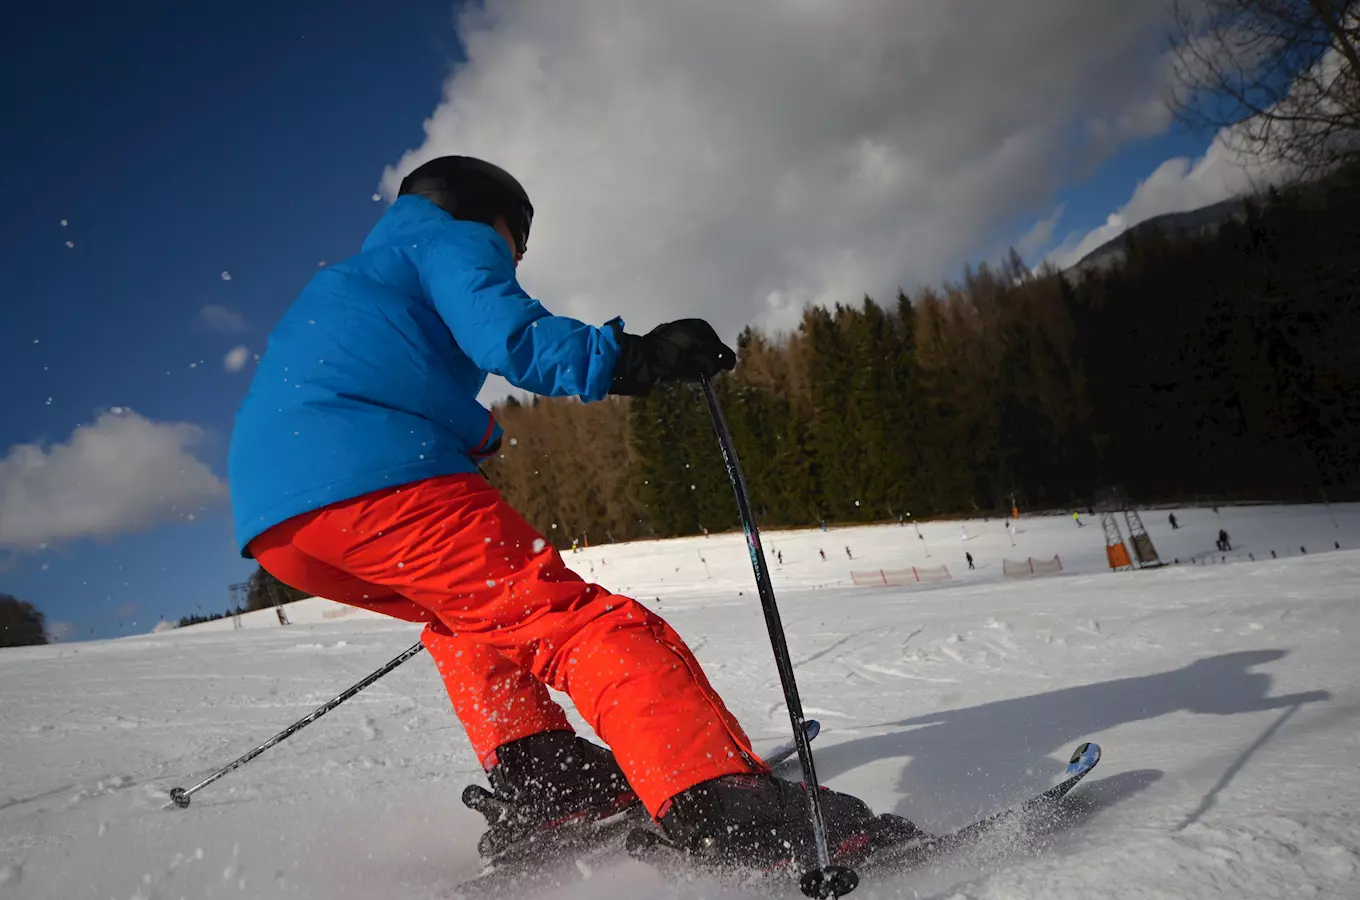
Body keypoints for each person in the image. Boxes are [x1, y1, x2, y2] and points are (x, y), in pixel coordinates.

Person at [227, 156, 912, 870]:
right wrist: (634, 357)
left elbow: (351, 383)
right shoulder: (451, 238)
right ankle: (717, 802)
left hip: (283, 526)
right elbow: (510, 336)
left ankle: (551, 781)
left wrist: (476, 435)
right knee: (578, 624)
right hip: (379, 483)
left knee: (470, 621)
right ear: (491, 214)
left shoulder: (349, 279)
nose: (516, 257)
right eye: (517, 240)